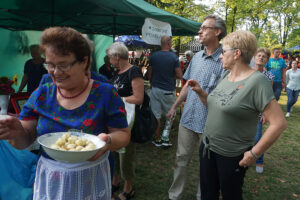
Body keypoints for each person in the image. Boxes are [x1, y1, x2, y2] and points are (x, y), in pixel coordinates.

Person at [0, 27, 130, 200]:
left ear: (84, 62)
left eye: (63, 65)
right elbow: (26, 138)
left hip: (90, 177)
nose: (55, 72)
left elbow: (122, 133)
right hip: (51, 177)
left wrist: (108, 142)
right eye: (50, 65)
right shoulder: (42, 93)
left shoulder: (105, 93)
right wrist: (16, 133)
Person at [188, 30, 287, 200]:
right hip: (208, 148)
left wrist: (254, 153)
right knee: (207, 194)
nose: (220, 56)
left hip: (232, 155)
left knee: (231, 195)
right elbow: (218, 105)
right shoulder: (226, 75)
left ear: (237, 54)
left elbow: (279, 123)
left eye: (223, 51)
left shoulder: (257, 81)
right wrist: (201, 94)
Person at [167, 14, 226, 200]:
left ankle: (204, 196)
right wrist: (175, 106)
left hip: (210, 124)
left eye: (204, 28)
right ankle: (175, 195)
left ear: (217, 32)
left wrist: (202, 93)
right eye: (200, 28)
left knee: (206, 166)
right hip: (187, 119)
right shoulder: (197, 56)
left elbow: (224, 99)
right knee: (180, 159)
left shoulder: (226, 61)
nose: (199, 31)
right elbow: (187, 85)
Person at [108, 42, 144, 200]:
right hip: (116, 120)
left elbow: (138, 98)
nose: (109, 60)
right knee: (114, 151)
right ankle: (115, 181)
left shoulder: (134, 71)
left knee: (126, 155)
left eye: (110, 57)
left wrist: (118, 100)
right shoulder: (116, 73)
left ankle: (128, 189)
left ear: (117, 56)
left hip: (129, 121)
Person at [148, 35, 182, 147]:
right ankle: (165, 138)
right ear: (168, 44)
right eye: (171, 42)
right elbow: (179, 75)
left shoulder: (154, 56)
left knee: (156, 115)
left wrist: (152, 83)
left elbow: (150, 73)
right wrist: (171, 77)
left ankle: (157, 139)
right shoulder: (174, 58)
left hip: (156, 89)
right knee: (170, 114)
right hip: (168, 90)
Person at [253, 48, 274, 173]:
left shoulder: (269, 76)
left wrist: (266, 114)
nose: (261, 58)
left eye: (264, 56)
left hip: (259, 112)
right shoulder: (248, 72)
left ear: (267, 60)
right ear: (254, 57)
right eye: (259, 55)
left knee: (257, 138)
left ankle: (259, 161)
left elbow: (269, 97)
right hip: (245, 110)